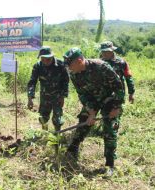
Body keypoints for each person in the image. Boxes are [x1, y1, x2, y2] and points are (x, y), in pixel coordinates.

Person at [64, 47, 125, 176]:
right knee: (84, 121)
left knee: (109, 129)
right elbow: (82, 94)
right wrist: (91, 112)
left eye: (70, 64)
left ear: (80, 60)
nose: (69, 67)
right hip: (93, 100)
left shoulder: (101, 66)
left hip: (110, 99)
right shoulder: (73, 73)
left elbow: (118, 86)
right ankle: (73, 148)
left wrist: (116, 107)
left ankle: (110, 164)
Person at [27, 46, 69, 132]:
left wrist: (63, 97)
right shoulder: (38, 66)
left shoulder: (61, 65)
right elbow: (32, 82)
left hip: (57, 97)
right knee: (43, 118)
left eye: (47, 59)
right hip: (44, 97)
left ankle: (57, 135)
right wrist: (30, 98)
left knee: (58, 119)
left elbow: (65, 81)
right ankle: (45, 133)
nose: (45, 62)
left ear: (52, 57)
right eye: (42, 59)